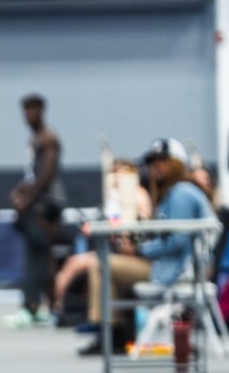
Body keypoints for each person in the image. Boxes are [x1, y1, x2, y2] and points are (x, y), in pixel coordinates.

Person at [75, 139, 207, 356]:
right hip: (165, 265)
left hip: (173, 271)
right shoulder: (172, 194)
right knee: (108, 262)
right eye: (153, 162)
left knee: (101, 265)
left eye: (163, 161)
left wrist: (138, 250)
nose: (157, 167)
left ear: (176, 163)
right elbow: (163, 235)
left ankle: (111, 334)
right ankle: (116, 333)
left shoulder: (181, 193)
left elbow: (176, 240)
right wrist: (138, 242)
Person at [6, 94, 69, 329]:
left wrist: (27, 200)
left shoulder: (48, 138)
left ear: (42, 111)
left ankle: (36, 306)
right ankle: (39, 306)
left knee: (40, 256)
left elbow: (47, 174)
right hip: (37, 203)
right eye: (25, 111)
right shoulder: (33, 140)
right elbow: (33, 176)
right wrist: (19, 192)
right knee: (38, 254)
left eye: (32, 110)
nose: (28, 115)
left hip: (47, 206)